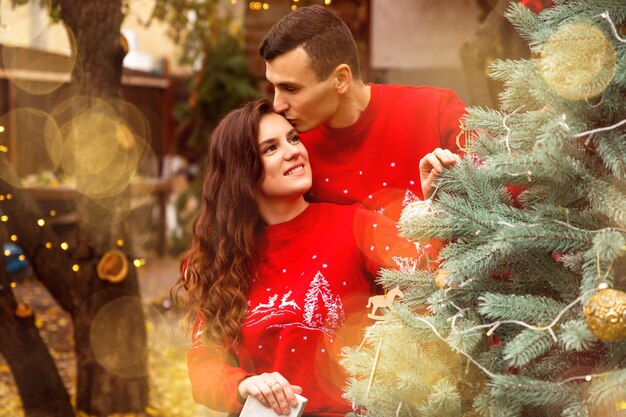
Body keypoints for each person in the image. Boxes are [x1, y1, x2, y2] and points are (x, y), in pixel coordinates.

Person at [180, 99, 436, 417]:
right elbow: (202, 366)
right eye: (270, 148)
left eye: (293, 138)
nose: (293, 152)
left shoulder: (356, 225)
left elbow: (433, 276)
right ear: (242, 170)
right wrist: (243, 385)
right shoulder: (223, 260)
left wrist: (434, 205)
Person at [259, 5, 465, 215]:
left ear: (340, 79)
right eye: (273, 87)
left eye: (290, 88)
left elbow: (494, 208)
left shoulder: (437, 111)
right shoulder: (294, 150)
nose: (277, 105)